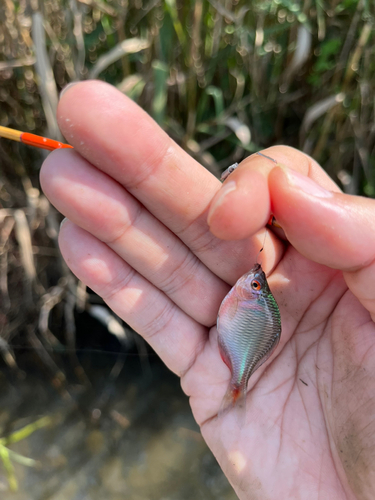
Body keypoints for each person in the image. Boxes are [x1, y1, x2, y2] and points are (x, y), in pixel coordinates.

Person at [41, 80, 375, 500]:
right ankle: (239, 388)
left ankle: (239, 388)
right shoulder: (254, 300)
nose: (254, 279)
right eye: (258, 283)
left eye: (257, 283)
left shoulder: (262, 303)